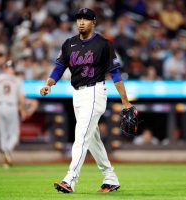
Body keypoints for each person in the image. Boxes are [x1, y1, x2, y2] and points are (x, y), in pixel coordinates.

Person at [40, 8, 132, 193]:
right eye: (79, 19)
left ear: (93, 22)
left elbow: (115, 73)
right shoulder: (69, 43)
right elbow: (59, 67)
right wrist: (49, 84)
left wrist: (125, 102)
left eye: (86, 19)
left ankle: (70, 179)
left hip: (94, 92)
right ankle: (110, 178)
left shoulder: (103, 44)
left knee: (81, 136)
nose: (81, 22)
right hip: (78, 94)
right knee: (92, 140)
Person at [0, 60, 26, 168]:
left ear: (5, 68)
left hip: (0, 107)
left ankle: (6, 160)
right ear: (13, 69)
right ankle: (8, 151)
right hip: (11, 107)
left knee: (3, 135)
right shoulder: (17, 80)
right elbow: (21, 98)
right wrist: (22, 109)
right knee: (14, 135)